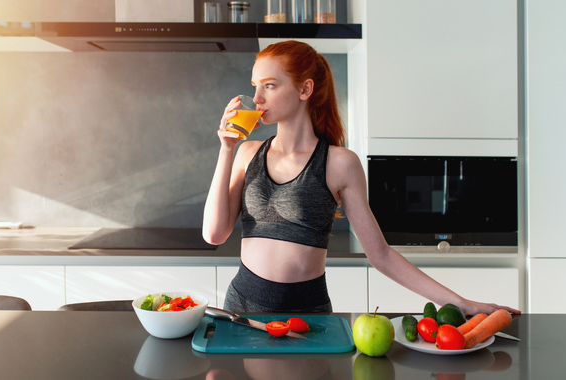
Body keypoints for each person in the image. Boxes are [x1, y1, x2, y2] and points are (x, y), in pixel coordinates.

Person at [202, 40, 521, 316]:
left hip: (307, 316)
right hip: (240, 309)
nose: (256, 97)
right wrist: (227, 149)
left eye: (269, 85)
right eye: (255, 86)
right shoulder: (248, 153)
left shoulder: (339, 163)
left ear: (305, 89)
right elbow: (214, 235)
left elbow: (380, 255)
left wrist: (460, 303)